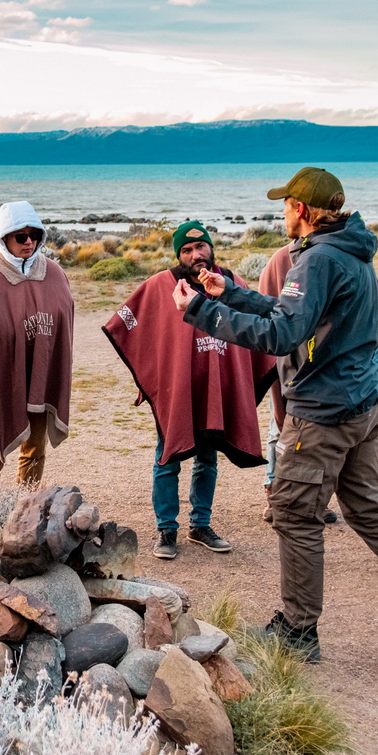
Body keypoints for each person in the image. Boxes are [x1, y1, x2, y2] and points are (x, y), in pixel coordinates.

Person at [172, 166, 378, 673]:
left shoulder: (316, 260)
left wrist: (202, 312)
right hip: (361, 407)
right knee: (373, 513)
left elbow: (282, 336)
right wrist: (229, 292)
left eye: (288, 204)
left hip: (321, 417)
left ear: (306, 211)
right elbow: (300, 314)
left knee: (295, 515)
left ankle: (297, 629)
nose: (283, 212)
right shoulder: (352, 253)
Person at [104, 221, 274, 559]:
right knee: (167, 455)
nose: (196, 255)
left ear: (210, 248)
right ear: (179, 255)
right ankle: (166, 530)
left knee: (208, 456)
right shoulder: (160, 286)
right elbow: (124, 323)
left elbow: (260, 328)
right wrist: (152, 376)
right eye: (187, 250)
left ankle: (201, 525)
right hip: (176, 388)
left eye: (201, 247)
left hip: (217, 386)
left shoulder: (231, 283)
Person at [0, 201, 74, 487]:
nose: (29, 242)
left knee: (35, 447)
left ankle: (27, 511)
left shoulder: (54, 273)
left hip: (40, 374)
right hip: (0, 378)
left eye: (34, 235)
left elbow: (63, 322)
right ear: (4, 238)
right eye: (20, 236)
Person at [259, 243, 345, 527]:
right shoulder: (279, 260)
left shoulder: (333, 256)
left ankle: (315, 498)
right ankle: (274, 493)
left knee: (317, 435)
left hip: (322, 369)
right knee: (278, 430)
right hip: (286, 365)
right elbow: (268, 315)